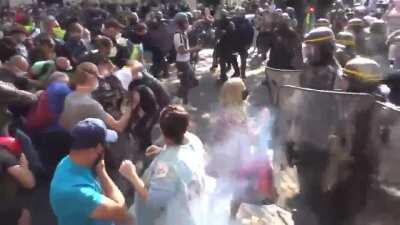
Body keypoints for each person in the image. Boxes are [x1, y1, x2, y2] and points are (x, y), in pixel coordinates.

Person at [119, 105, 206, 225]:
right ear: (186, 126)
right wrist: (163, 151)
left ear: (161, 129)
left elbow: (154, 200)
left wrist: (132, 175)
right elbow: (181, 156)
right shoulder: (193, 141)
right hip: (191, 212)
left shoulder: (166, 165)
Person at [50, 118, 130, 225]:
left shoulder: (66, 162)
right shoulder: (78, 193)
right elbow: (121, 212)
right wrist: (102, 172)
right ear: (98, 149)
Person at [59, 62, 132, 132]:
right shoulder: (91, 105)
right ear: (91, 78)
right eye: (97, 77)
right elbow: (118, 127)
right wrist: (131, 107)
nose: (99, 80)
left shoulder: (69, 96)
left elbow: (64, 123)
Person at [0, 149, 35, 225]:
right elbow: (29, 182)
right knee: (25, 215)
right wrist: (24, 165)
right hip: (6, 211)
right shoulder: (5, 157)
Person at [173, 12, 202, 105]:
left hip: (186, 62)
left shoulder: (183, 32)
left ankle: (178, 99)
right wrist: (195, 49)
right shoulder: (178, 35)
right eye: (186, 22)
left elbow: (191, 27)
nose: (188, 24)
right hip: (182, 63)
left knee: (191, 82)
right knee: (186, 84)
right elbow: (181, 51)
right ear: (181, 23)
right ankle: (182, 102)